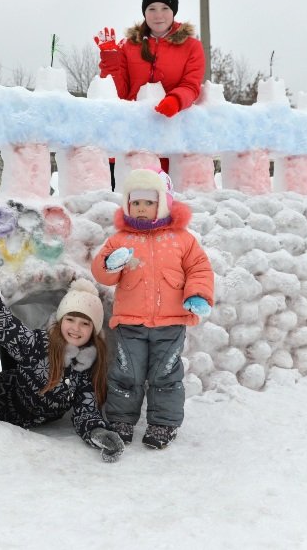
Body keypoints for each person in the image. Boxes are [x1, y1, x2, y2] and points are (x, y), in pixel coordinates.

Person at [0, 235, 125, 462]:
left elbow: (86, 409)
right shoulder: (39, 344)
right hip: (3, 402)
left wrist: (97, 432)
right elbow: (4, 325)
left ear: (94, 330)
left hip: (38, 420)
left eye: (85, 323)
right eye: (71, 319)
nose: (76, 328)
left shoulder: (87, 367)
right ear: (60, 320)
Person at [90, 168, 215, 449]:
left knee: (166, 374)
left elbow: (199, 268)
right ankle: (121, 419)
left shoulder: (182, 239)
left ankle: (163, 423)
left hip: (171, 323)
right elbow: (102, 272)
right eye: (136, 203)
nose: (142, 208)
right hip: (130, 322)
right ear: (127, 205)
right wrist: (111, 264)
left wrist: (197, 295)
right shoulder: (120, 239)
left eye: (149, 202)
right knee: (125, 373)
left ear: (163, 203)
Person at [94, 0, 206, 187]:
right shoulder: (129, 46)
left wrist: (176, 100)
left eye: (165, 8)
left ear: (174, 11)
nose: (158, 14)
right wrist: (110, 60)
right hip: (133, 140)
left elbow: (192, 85)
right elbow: (121, 93)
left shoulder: (191, 47)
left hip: (171, 139)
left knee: (166, 207)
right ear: (144, 12)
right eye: (151, 8)